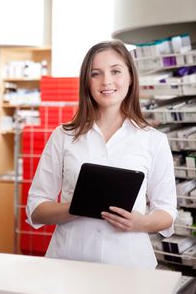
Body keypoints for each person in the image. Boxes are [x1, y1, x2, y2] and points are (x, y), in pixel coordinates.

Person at [26, 40, 177, 269]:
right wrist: (77, 208)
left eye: (115, 71)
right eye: (96, 74)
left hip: (129, 265)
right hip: (69, 262)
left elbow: (166, 211)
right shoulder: (63, 136)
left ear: (130, 77)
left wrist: (139, 222)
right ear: (86, 82)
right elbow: (36, 209)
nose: (106, 81)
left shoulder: (153, 140)